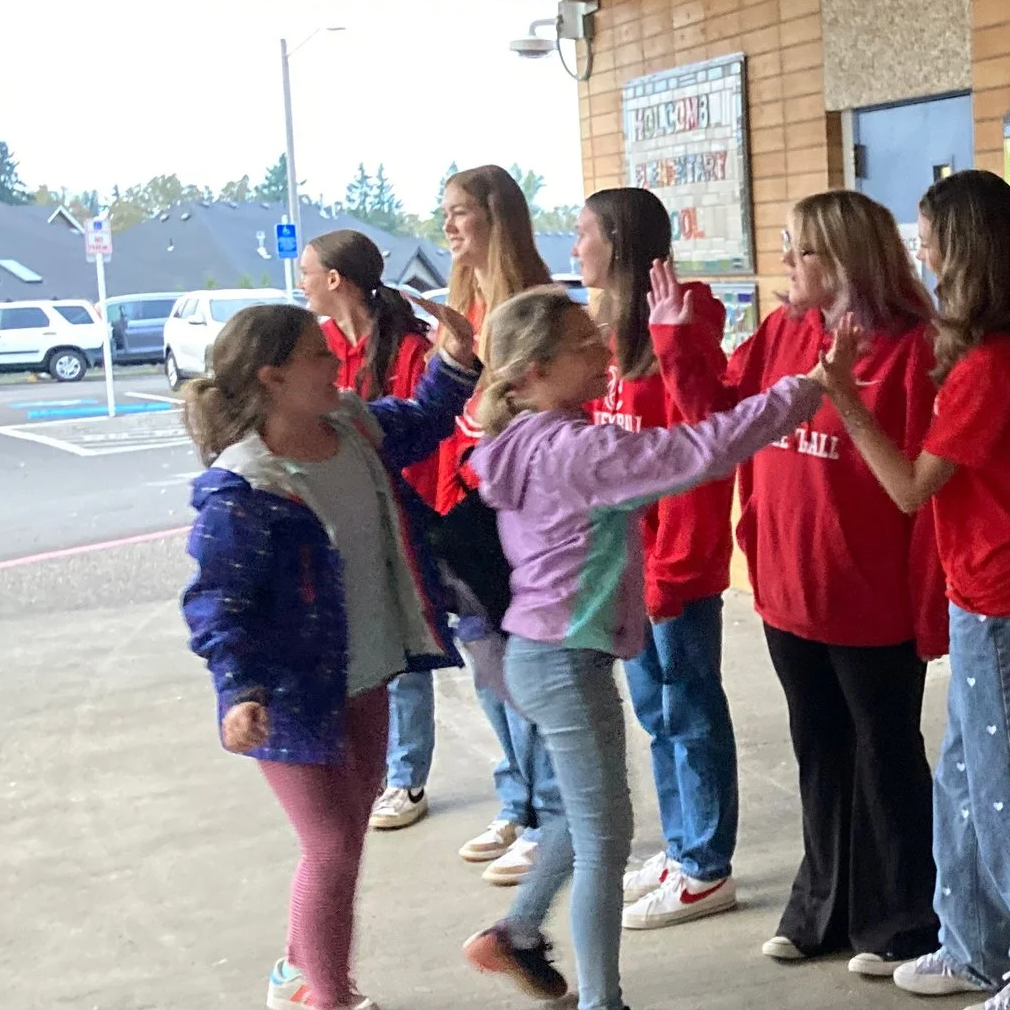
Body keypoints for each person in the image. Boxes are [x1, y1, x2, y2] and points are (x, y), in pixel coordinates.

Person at [459, 280, 846, 1010]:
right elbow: (697, 452)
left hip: (540, 654)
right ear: (530, 372)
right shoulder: (574, 450)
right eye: (582, 346)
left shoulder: (531, 437)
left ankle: (518, 932)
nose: (603, 352)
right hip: (562, 660)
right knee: (606, 839)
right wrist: (802, 390)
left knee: (585, 815)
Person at [180, 297, 482, 1010]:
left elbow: (421, 422)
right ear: (273, 377)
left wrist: (454, 360)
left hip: (370, 667)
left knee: (349, 825)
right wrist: (238, 690)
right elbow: (219, 606)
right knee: (334, 846)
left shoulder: (351, 430)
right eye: (318, 354)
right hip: (289, 699)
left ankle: (295, 969)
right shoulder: (242, 492)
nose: (335, 362)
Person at [826, 170, 1010, 1010]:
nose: (922, 250)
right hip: (997, 590)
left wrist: (848, 405)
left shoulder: (992, 367)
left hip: (1007, 597)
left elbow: (909, 489)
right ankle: (973, 941)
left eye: (931, 234)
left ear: (966, 247)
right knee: (968, 778)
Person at [662, 190, 944, 971]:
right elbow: (716, 416)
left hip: (871, 592)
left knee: (884, 755)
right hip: (789, 585)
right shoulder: (787, 330)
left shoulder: (913, 347)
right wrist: (680, 342)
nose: (785, 263)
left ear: (848, 258)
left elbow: (923, 481)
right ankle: (822, 905)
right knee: (818, 749)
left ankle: (904, 920)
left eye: (801, 250)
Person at [571, 188, 749, 933]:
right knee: (656, 711)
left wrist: (669, 570)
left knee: (688, 706)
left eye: (584, 233)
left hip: (672, 566)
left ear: (617, 239)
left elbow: (699, 449)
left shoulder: (683, 325)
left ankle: (707, 863)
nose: (574, 247)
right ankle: (682, 848)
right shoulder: (601, 336)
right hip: (625, 564)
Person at [434, 165, 561, 885]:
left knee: (522, 670)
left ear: (496, 216)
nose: (450, 227)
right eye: (444, 214)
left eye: (461, 213)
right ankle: (517, 797)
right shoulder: (465, 304)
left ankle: (548, 809)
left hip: (513, 512)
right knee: (484, 666)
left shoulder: (530, 305)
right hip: (466, 504)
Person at [298, 229, 443, 833]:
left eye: (307, 271)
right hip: (346, 518)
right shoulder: (321, 349)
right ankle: (378, 767)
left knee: (408, 650)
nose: (301, 281)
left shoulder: (408, 349)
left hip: (407, 514)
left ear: (335, 280)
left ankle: (407, 777)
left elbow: (419, 431)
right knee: (365, 646)